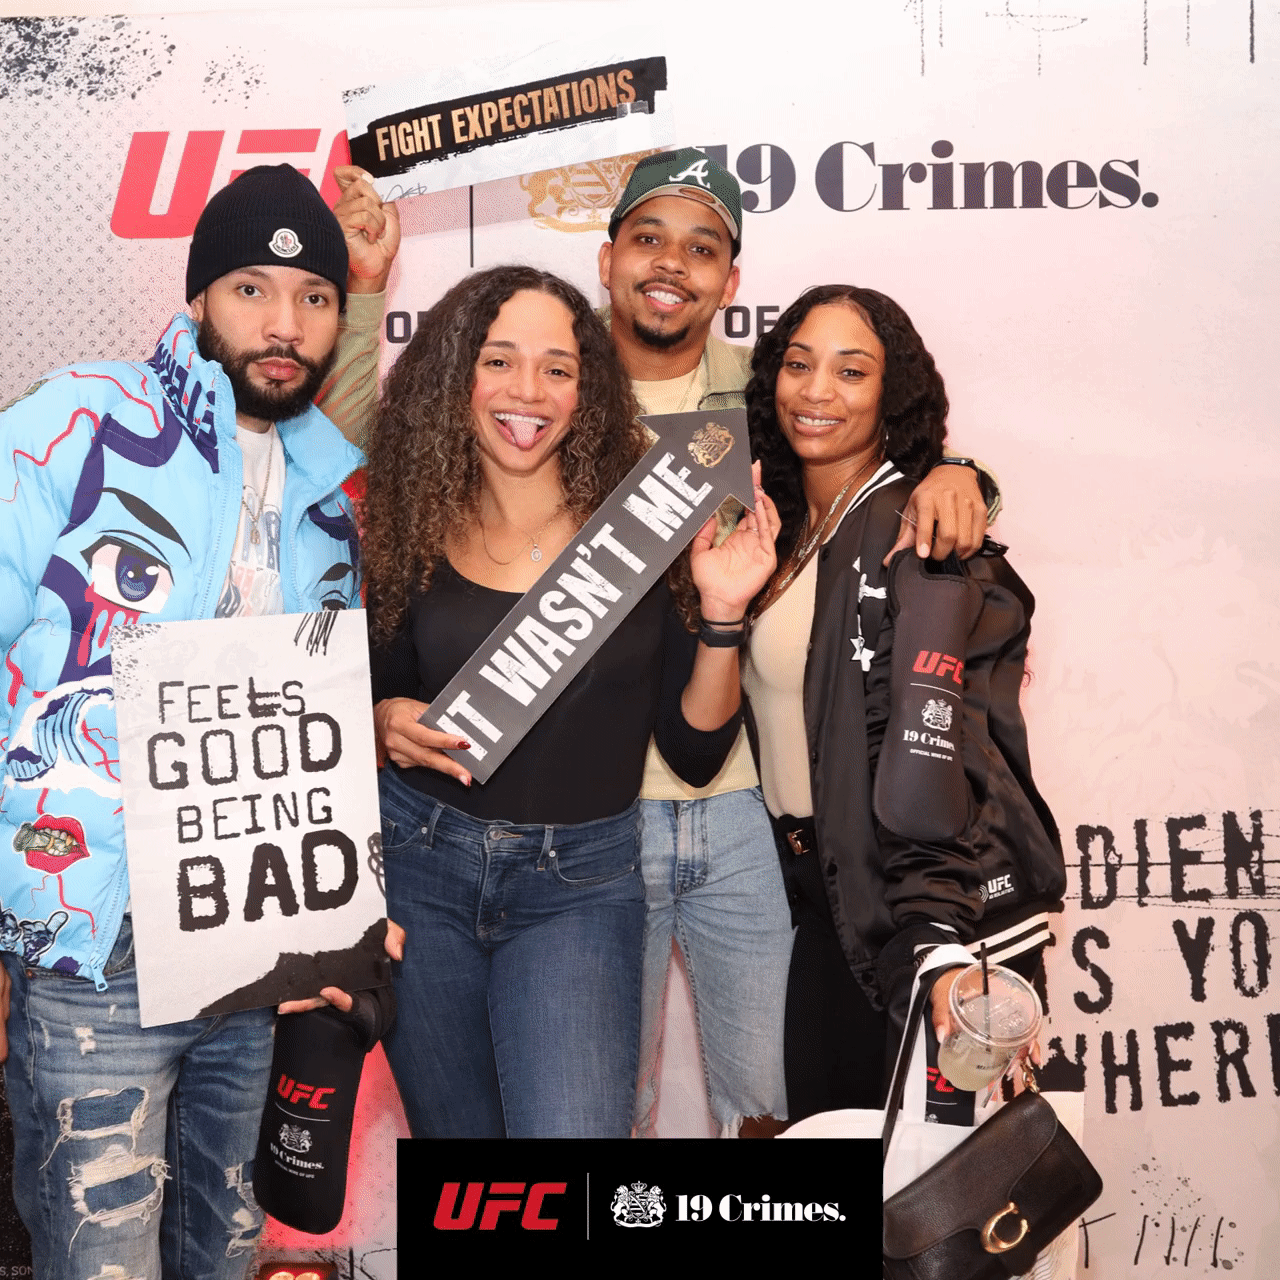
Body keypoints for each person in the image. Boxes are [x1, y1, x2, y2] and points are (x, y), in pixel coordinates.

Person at [0, 162, 392, 1277]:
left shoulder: (330, 500)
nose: (284, 323)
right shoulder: (77, 423)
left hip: (258, 951)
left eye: (313, 297)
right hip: (97, 945)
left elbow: (314, 731)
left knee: (222, 1251)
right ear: (199, 297)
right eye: (253, 290)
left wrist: (342, 915)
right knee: (101, 1258)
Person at [598, 150, 999, 1136]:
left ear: (729, 282)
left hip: (747, 814)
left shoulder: (756, 390)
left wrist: (955, 469)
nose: (670, 265)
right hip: (592, 819)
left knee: (778, 1114)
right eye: (648, 237)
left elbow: (886, 433)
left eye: (701, 247)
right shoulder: (549, 385)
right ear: (607, 256)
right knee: (600, 1114)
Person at [361, 264, 780, 1138]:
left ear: (587, 387)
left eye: (557, 367)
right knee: (464, 1175)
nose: (528, 392)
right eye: (499, 360)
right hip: (420, 867)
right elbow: (379, 691)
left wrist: (722, 615)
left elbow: (696, 750)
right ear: (454, 374)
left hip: (579, 887)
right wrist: (377, 725)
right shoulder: (408, 515)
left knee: (570, 1164)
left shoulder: (647, 520)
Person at [742, 284, 1064, 1121]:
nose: (817, 391)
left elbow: (936, 757)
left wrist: (936, 945)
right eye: (799, 364)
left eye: (851, 371)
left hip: (908, 911)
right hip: (821, 901)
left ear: (893, 394)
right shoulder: (783, 532)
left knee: (932, 1214)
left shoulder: (909, 533)